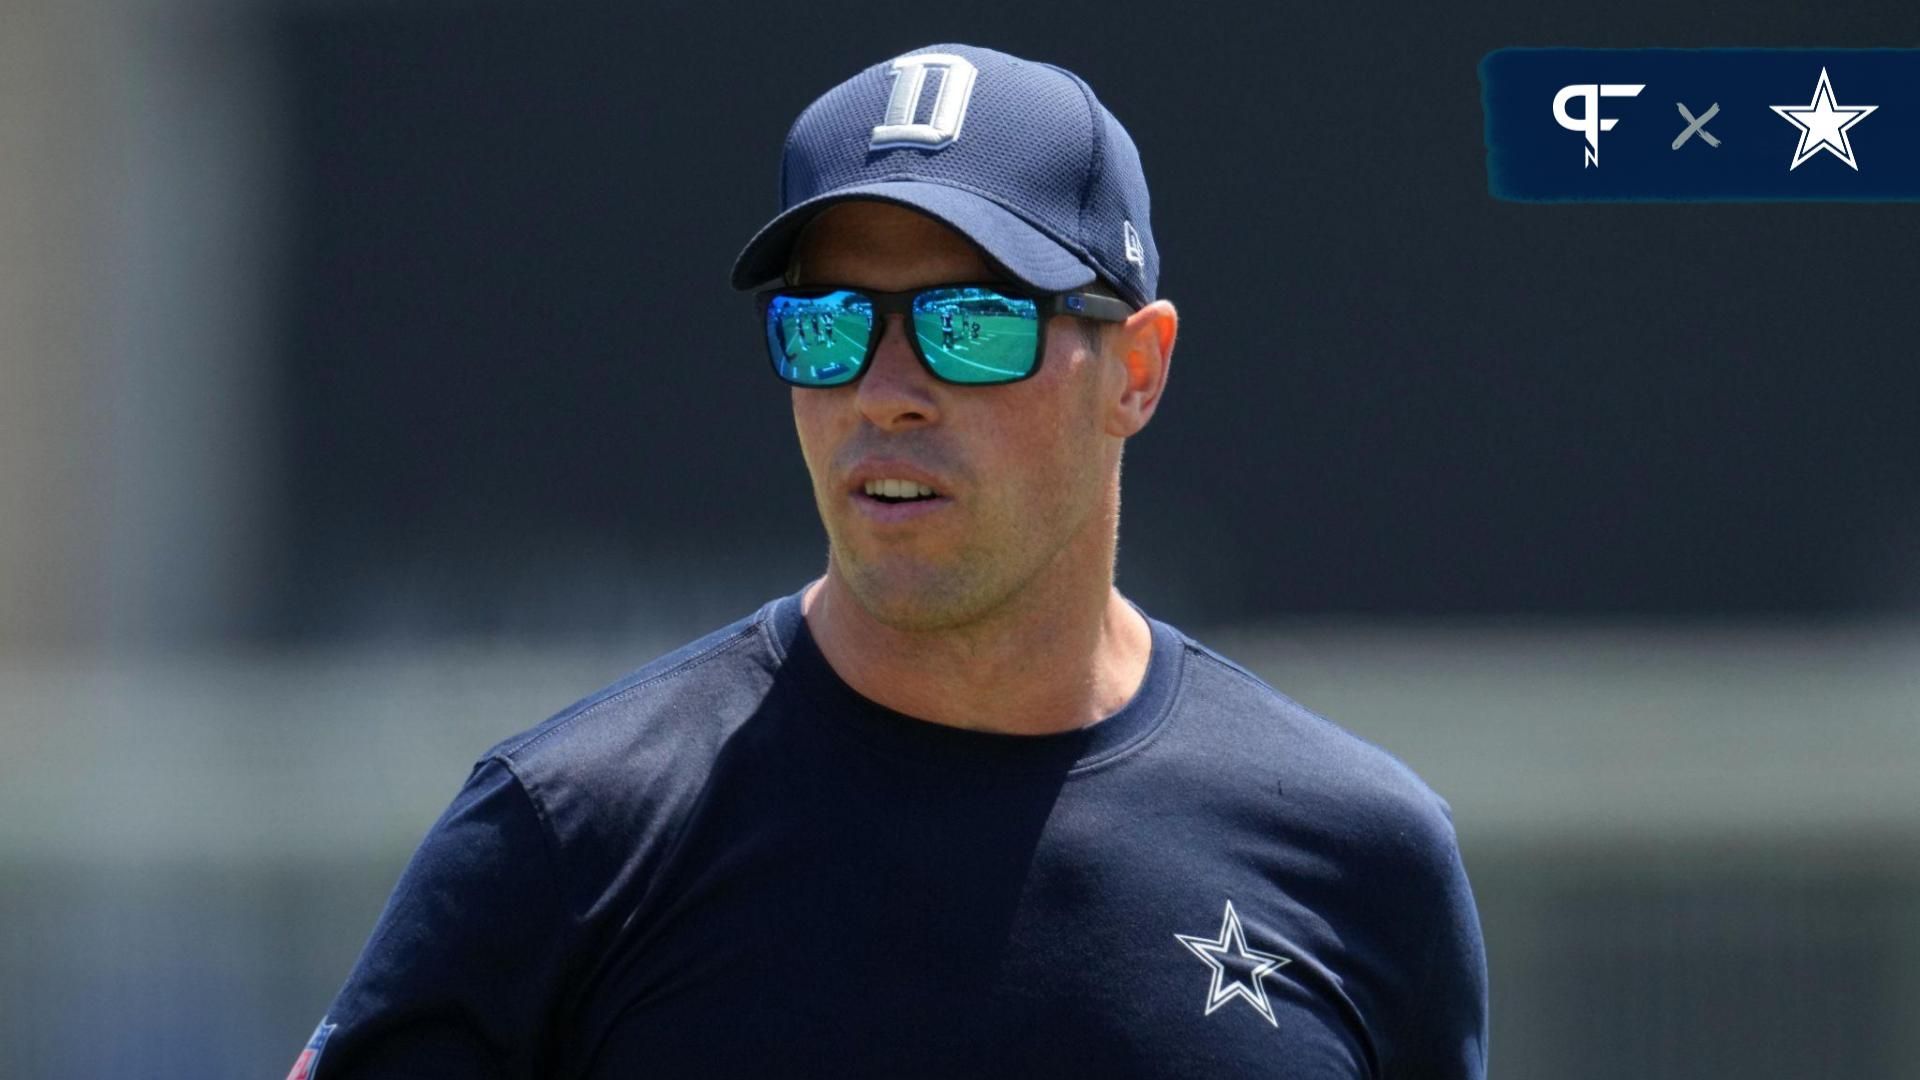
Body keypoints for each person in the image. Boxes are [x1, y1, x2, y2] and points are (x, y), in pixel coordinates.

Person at [289, 42, 1487, 1079]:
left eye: (972, 323)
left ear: (1138, 368)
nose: (887, 392)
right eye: (830, 325)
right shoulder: (570, 840)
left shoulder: (1360, 861)